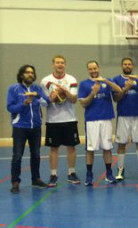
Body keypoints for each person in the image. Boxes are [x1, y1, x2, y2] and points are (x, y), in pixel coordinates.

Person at [78, 61, 122, 186]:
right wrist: (93, 93)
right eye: (90, 69)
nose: (93, 70)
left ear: (98, 68)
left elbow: (119, 90)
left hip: (106, 119)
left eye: (95, 68)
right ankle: (89, 175)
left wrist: (106, 81)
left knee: (107, 148)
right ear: (88, 70)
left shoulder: (107, 81)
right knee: (90, 149)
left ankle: (109, 174)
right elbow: (83, 103)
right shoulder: (84, 84)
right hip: (92, 120)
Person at [7, 65, 50, 193]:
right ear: (21, 75)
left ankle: (36, 179)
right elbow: (10, 107)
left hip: (36, 127)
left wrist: (37, 96)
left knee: (36, 155)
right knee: (17, 156)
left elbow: (47, 102)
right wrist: (23, 104)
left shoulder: (37, 88)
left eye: (32, 72)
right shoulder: (13, 89)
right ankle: (15, 182)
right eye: (27, 72)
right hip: (20, 127)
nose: (30, 74)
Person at [40, 55, 81, 186]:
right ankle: (53, 174)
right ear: (53, 64)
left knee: (71, 147)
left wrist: (65, 91)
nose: (60, 65)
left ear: (65, 64)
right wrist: (51, 98)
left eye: (62, 62)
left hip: (69, 119)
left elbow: (74, 99)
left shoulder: (71, 79)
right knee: (53, 148)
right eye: (57, 62)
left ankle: (71, 173)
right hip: (53, 120)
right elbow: (43, 102)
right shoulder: (45, 81)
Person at [112, 57, 138, 181]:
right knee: (121, 143)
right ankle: (120, 169)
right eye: (125, 64)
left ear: (132, 66)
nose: (127, 66)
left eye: (129, 64)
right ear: (122, 66)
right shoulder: (116, 79)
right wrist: (126, 89)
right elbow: (116, 99)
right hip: (123, 116)